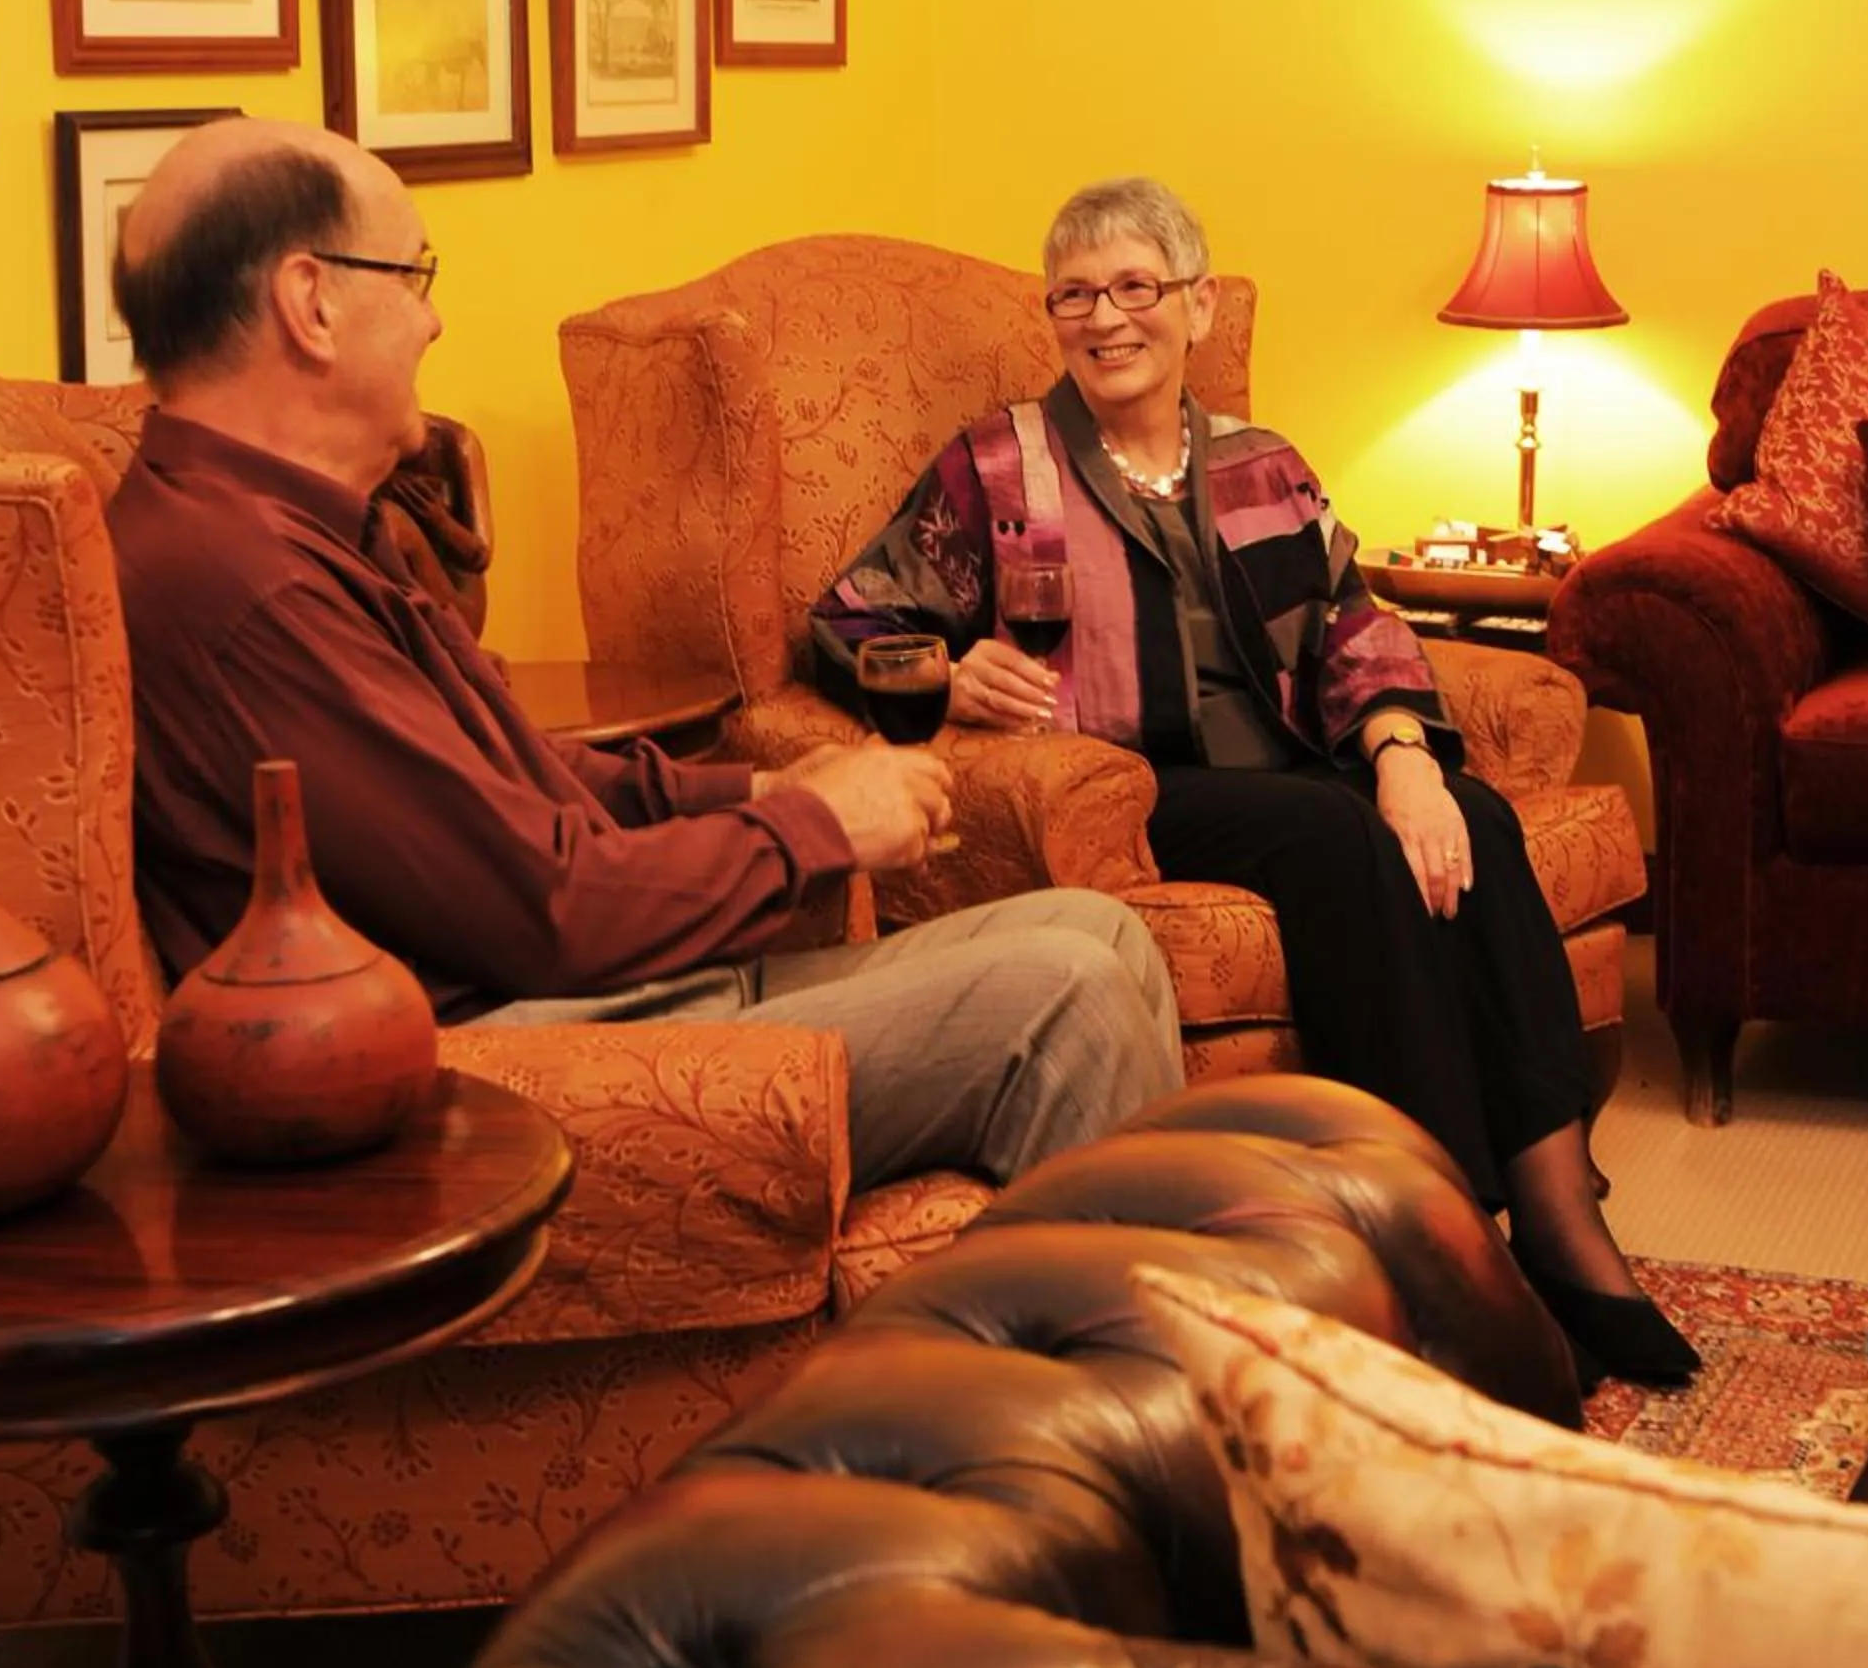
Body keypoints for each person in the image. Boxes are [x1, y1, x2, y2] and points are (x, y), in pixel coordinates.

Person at [104, 120, 1184, 1196]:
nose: (433, 320)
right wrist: (814, 829)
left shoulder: (310, 529)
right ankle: (1155, 1348)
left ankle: (1100, 1334)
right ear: (313, 303)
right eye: (414, 273)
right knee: (1064, 995)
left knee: (1103, 933)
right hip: (502, 1067)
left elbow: (524, 773)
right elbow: (545, 913)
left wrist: (756, 787)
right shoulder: (244, 583)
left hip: (588, 996)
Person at [812, 175, 1697, 1389]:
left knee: (1474, 818)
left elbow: (1346, 617)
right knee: (1330, 843)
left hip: (1290, 760)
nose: (1104, 318)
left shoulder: (1256, 463)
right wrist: (951, 672)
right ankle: (1440, 1251)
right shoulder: (994, 466)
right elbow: (853, 617)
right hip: (1127, 784)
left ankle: (1560, 1226)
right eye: (1075, 294)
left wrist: (1401, 759)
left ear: (1197, 309)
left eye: (1135, 287)